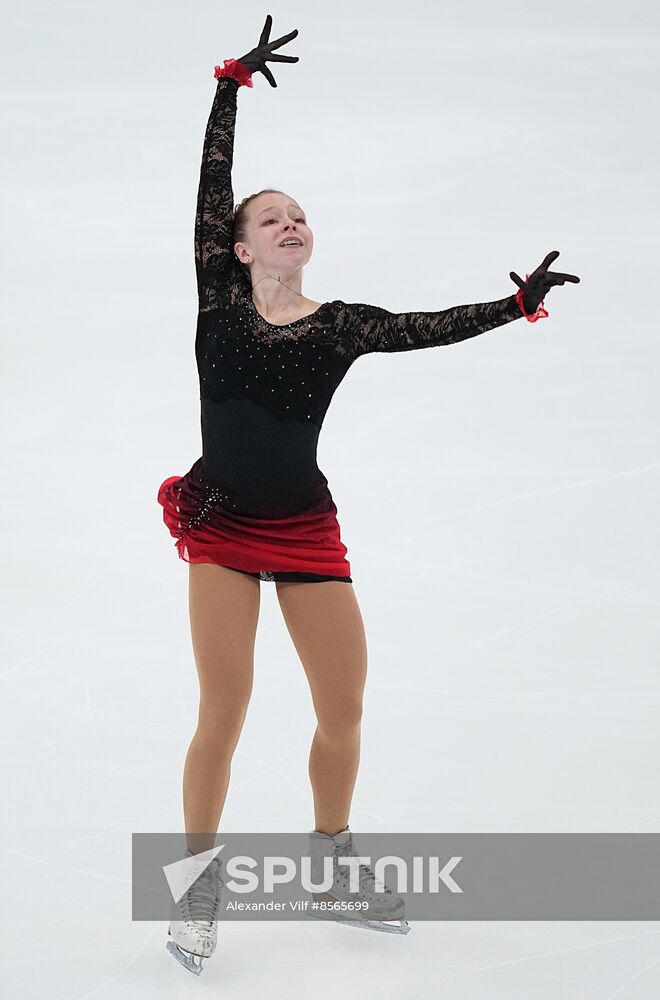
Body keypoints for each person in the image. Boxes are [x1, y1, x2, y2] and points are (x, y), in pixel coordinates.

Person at [160, 14, 580, 973]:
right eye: (272, 217)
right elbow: (209, 186)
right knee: (222, 711)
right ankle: (197, 895)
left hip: (305, 529)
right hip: (222, 526)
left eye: (301, 214)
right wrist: (227, 88)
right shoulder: (215, 297)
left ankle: (329, 867)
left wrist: (512, 307)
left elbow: (427, 326)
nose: (291, 223)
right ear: (236, 248)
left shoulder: (341, 322)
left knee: (342, 706)